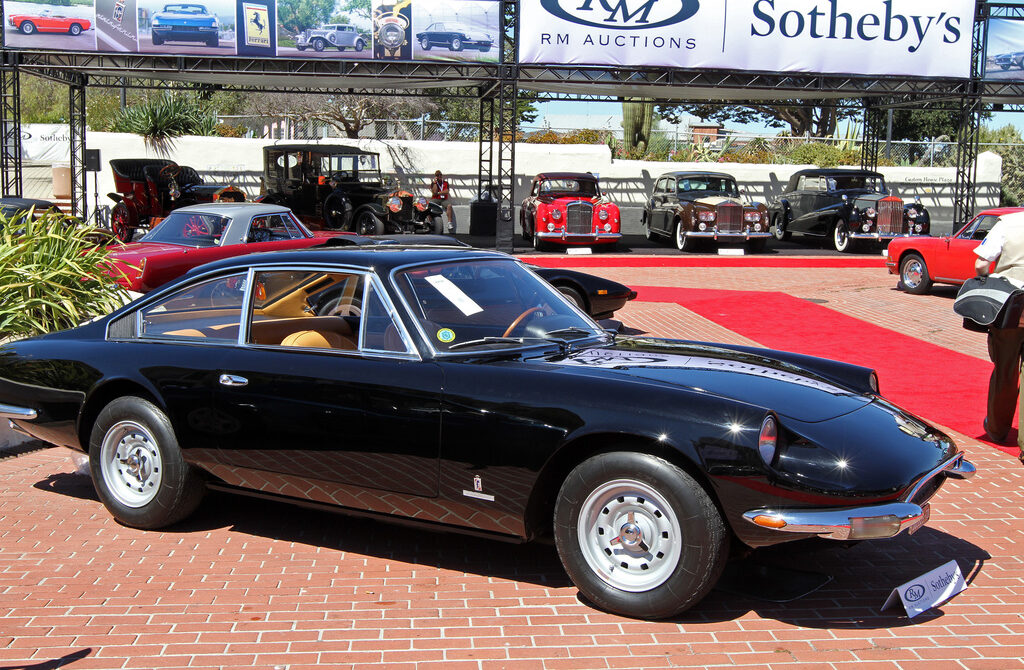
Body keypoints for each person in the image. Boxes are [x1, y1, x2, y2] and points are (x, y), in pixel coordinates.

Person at [974, 210, 1024, 463]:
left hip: (1011, 304)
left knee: (1005, 369)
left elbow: (981, 263)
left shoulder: (1009, 223)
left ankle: (997, 428)